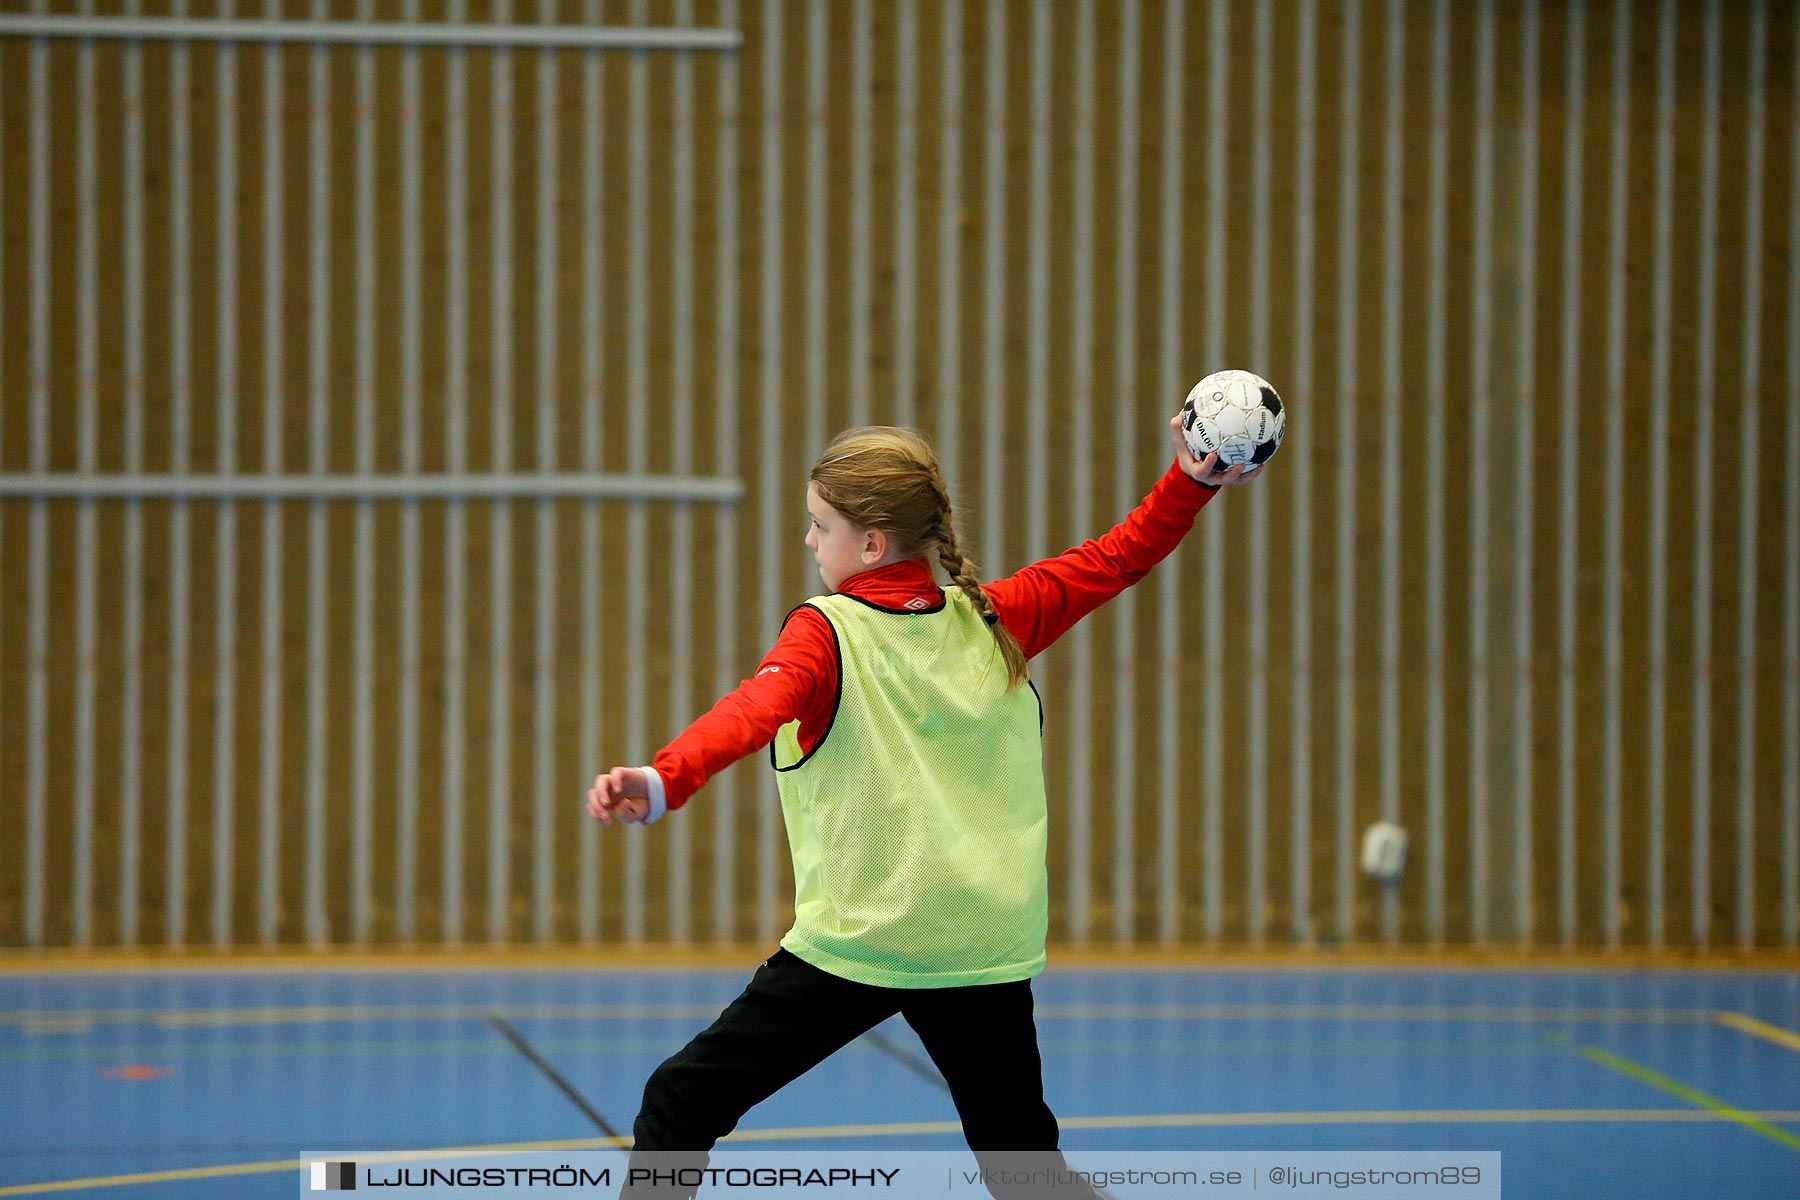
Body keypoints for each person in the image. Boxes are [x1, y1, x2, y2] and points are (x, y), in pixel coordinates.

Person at [587, 415, 1260, 1198]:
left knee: (680, 1100)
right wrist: (1191, 481)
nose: (810, 541)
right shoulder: (995, 617)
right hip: (982, 939)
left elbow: (752, 708)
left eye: (819, 524)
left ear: (872, 544)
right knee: (1023, 1166)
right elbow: (1117, 557)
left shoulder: (827, 630)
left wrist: (663, 779)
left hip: (872, 937)